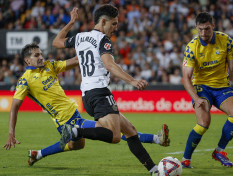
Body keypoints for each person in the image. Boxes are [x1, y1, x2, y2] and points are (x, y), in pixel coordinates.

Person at [3, 43, 170, 167]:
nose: (40, 57)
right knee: (111, 131)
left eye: (40, 53)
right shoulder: (25, 80)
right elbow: (14, 107)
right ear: (27, 60)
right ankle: (156, 139)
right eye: (36, 55)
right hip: (64, 121)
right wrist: (11, 132)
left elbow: (75, 60)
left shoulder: (49, 66)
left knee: (81, 143)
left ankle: (37, 154)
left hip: (74, 114)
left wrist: (92, 50)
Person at [52, 5, 163, 175]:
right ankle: (75, 131)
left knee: (131, 131)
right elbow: (109, 64)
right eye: (114, 23)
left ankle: (154, 170)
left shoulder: (80, 37)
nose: (116, 28)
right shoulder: (103, 40)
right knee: (115, 136)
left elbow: (57, 42)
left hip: (87, 95)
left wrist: (71, 22)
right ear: (103, 21)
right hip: (100, 93)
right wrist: (132, 81)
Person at [181, 12, 233, 168]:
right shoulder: (192, 47)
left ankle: (219, 151)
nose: (203, 33)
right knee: (204, 123)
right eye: (200, 29)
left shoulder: (226, 41)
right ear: (196, 28)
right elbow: (186, 78)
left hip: (221, 86)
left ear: (213, 26)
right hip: (201, 87)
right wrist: (196, 98)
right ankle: (186, 159)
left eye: (207, 29)